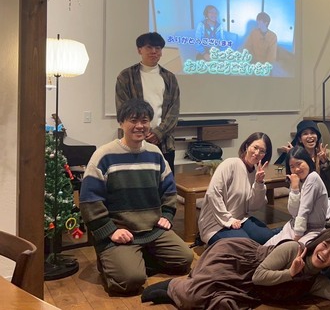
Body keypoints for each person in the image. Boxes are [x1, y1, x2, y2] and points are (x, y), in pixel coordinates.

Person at [79, 98, 193, 295]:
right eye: (133, 120)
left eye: (145, 120)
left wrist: (167, 214)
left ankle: (136, 256)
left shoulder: (155, 153)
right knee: (130, 280)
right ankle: (114, 261)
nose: (140, 126)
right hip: (120, 232)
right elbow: (89, 200)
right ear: (121, 123)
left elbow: (169, 189)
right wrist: (110, 231)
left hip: (153, 229)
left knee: (184, 259)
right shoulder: (103, 156)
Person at [141, 228, 330, 309]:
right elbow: (259, 276)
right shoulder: (294, 249)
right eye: (325, 245)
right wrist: (290, 273)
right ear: (318, 242)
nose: (325, 253)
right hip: (235, 260)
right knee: (194, 296)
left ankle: (187, 286)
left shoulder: (316, 281)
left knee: (220, 305)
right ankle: (174, 285)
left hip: (247, 288)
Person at [115, 32, 180, 174]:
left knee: (165, 182)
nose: (154, 51)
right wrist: (142, 131)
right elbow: (123, 109)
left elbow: (174, 110)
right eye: (149, 47)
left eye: (158, 48)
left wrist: (158, 133)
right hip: (133, 141)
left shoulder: (169, 78)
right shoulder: (126, 76)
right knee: (134, 181)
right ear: (140, 50)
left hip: (164, 142)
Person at [197, 132, 278, 245]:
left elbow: (254, 206)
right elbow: (213, 193)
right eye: (255, 147)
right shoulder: (231, 164)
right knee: (245, 245)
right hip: (215, 223)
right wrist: (228, 220)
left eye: (262, 151)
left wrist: (259, 183)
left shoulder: (255, 173)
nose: (257, 153)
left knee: (268, 238)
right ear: (247, 146)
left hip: (240, 220)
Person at [265, 145, 328, 246]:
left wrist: (297, 236)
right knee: (268, 246)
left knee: (290, 249)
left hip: (313, 230)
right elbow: (293, 212)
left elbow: (304, 209)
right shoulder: (296, 180)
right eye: (292, 166)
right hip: (295, 225)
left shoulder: (313, 177)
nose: (296, 169)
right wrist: (294, 189)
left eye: (299, 164)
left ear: (307, 161)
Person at [277, 120, 330, 199]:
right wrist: (293, 157)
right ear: (300, 139)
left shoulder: (328, 153)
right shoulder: (297, 156)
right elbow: (290, 179)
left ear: (317, 136)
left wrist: (325, 162)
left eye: (312, 133)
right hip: (304, 198)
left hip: (326, 198)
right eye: (305, 134)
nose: (310, 136)